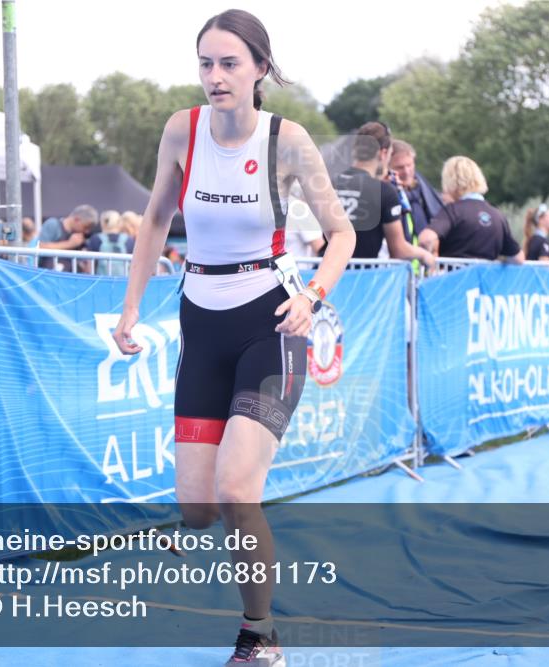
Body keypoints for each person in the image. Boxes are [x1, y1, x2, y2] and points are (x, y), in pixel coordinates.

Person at [110, 10, 355, 666]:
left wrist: (312, 296)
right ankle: (252, 547)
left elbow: (342, 234)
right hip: (201, 322)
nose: (215, 76)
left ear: (259, 69)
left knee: (237, 488)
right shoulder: (181, 131)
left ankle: (260, 634)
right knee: (197, 507)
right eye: (206, 64)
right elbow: (155, 220)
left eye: (229, 64)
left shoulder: (288, 140)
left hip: (270, 322)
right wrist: (130, 307)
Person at [330, 122, 435, 268]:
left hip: (326, 270)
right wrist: (425, 256)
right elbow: (398, 250)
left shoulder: (330, 184)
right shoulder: (384, 191)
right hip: (360, 275)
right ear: (383, 153)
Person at [418, 156, 523, 262]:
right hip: (486, 273)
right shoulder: (498, 216)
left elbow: (426, 239)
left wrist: (429, 258)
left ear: (450, 182)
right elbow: (518, 258)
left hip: (454, 272)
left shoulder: (453, 211)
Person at [389, 139, 444, 244]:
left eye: (409, 165)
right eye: (399, 167)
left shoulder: (425, 191)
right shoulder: (384, 196)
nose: (406, 171)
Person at [37, 204, 98, 270]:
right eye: (86, 227)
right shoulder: (53, 225)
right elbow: (40, 246)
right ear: (77, 219)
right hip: (47, 274)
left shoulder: (81, 237)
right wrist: (70, 244)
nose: (87, 231)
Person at [86, 210, 133, 276]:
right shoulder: (128, 240)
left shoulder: (95, 239)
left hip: (102, 280)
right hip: (123, 280)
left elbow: (89, 267)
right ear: (119, 223)